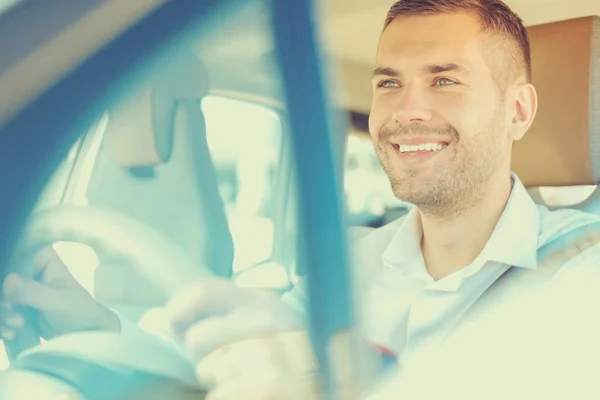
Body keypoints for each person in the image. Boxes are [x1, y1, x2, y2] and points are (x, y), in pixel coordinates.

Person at [3, 0, 600, 398]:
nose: (405, 111)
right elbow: (224, 362)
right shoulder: (345, 264)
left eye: (445, 80)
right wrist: (94, 326)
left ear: (517, 111)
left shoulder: (581, 274)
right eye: (388, 82)